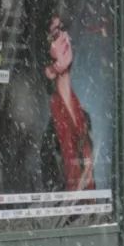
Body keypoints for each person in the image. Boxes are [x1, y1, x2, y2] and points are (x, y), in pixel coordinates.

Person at [38, 14, 95, 193]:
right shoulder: (45, 120)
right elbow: (48, 184)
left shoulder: (83, 115)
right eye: (55, 34)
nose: (63, 37)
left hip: (87, 215)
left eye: (63, 29)